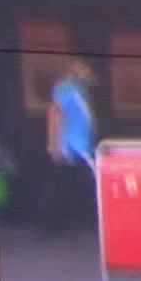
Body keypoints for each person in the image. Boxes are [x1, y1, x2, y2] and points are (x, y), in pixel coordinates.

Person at [41, 60, 97, 234]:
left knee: (74, 185)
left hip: (81, 146)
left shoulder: (81, 90)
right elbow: (56, 114)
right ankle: (53, 224)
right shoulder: (66, 88)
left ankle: (74, 221)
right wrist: (54, 143)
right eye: (84, 69)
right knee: (61, 185)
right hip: (69, 146)